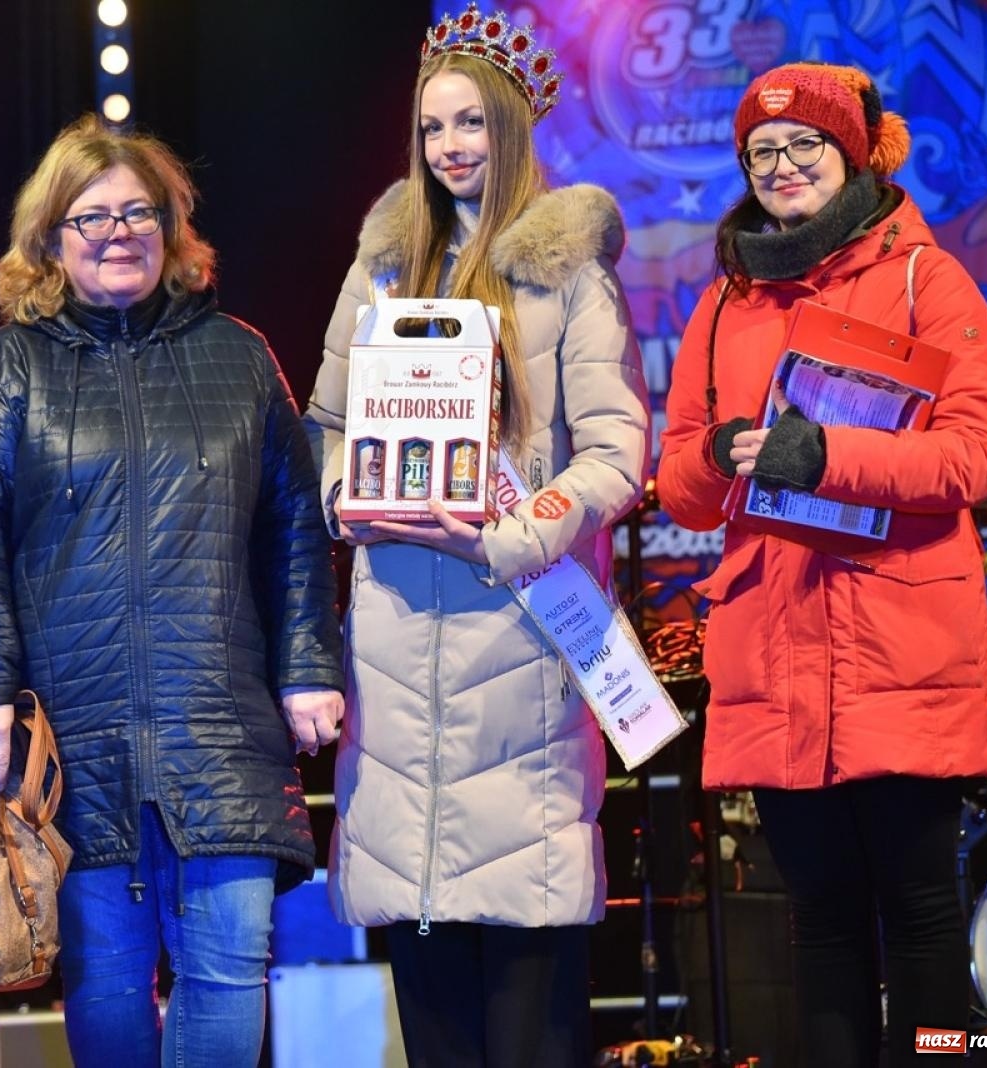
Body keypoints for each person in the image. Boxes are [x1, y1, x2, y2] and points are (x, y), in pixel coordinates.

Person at [0, 114, 345, 1068]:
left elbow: (292, 530)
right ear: (50, 240)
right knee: (109, 982)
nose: (118, 233)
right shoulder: (4, 371)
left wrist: (307, 669)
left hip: (223, 727)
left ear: (172, 226)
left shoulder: (239, 355)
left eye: (138, 212)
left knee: (229, 970)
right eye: (92, 217)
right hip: (75, 734)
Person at [303, 5, 650, 1063]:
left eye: (471, 125)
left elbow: (617, 456)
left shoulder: (568, 270)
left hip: (526, 640)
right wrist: (342, 503)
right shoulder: (382, 271)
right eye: (432, 129)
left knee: (530, 998)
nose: (451, 147)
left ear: (512, 130)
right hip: (397, 642)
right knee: (434, 1001)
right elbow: (328, 430)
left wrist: (513, 534)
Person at [657, 62, 987, 1066]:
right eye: (760, 151)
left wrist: (829, 456)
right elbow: (674, 479)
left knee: (923, 915)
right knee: (820, 924)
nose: (780, 166)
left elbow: (977, 454)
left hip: (903, 645)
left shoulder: (921, 278)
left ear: (849, 152)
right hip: (774, 653)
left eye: (802, 144)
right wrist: (717, 453)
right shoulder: (724, 304)